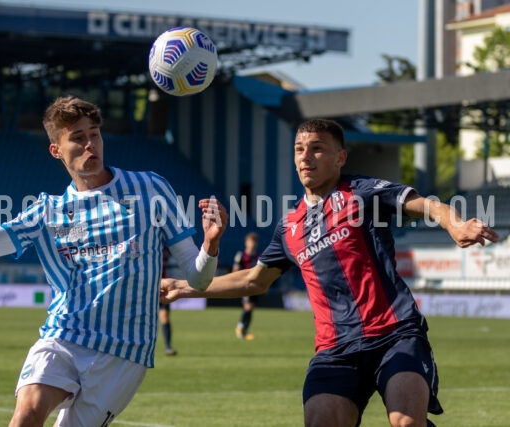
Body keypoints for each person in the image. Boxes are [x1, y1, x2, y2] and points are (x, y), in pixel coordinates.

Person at [0, 95, 227, 427]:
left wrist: (210, 245)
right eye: (78, 138)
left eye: (94, 133)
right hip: (64, 337)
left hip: (125, 353)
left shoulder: (150, 189)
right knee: (27, 415)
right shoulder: (47, 213)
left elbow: (197, 280)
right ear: (56, 150)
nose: (90, 144)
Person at [161, 118, 499, 427]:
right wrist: (185, 286)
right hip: (336, 350)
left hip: (394, 334)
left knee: (406, 422)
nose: (305, 156)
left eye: (317, 148)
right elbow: (254, 280)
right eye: (299, 149)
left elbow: (424, 203)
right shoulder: (289, 227)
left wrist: (454, 224)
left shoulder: (363, 192)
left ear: (340, 158)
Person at [232, 232, 260, 340]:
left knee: (251, 307)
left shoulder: (258, 256)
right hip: (245, 285)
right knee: (248, 306)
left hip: (255, 285)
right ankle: (240, 327)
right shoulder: (241, 255)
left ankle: (245, 330)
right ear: (246, 243)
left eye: (253, 242)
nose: (251, 244)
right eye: (250, 242)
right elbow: (235, 270)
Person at [159, 246, 176, 356]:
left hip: (162, 286)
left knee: (165, 317)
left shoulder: (164, 248)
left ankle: (168, 346)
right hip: (146, 285)